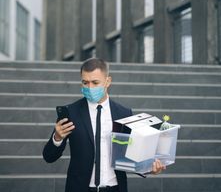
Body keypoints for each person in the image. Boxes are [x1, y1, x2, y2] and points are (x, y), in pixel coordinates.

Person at [43, 58, 165, 192]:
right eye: (85, 82)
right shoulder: (71, 112)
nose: (89, 87)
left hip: (115, 188)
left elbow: (131, 156)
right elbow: (49, 157)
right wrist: (57, 138)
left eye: (95, 83)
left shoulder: (124, 113)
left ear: (108, 81)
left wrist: (148, 169)